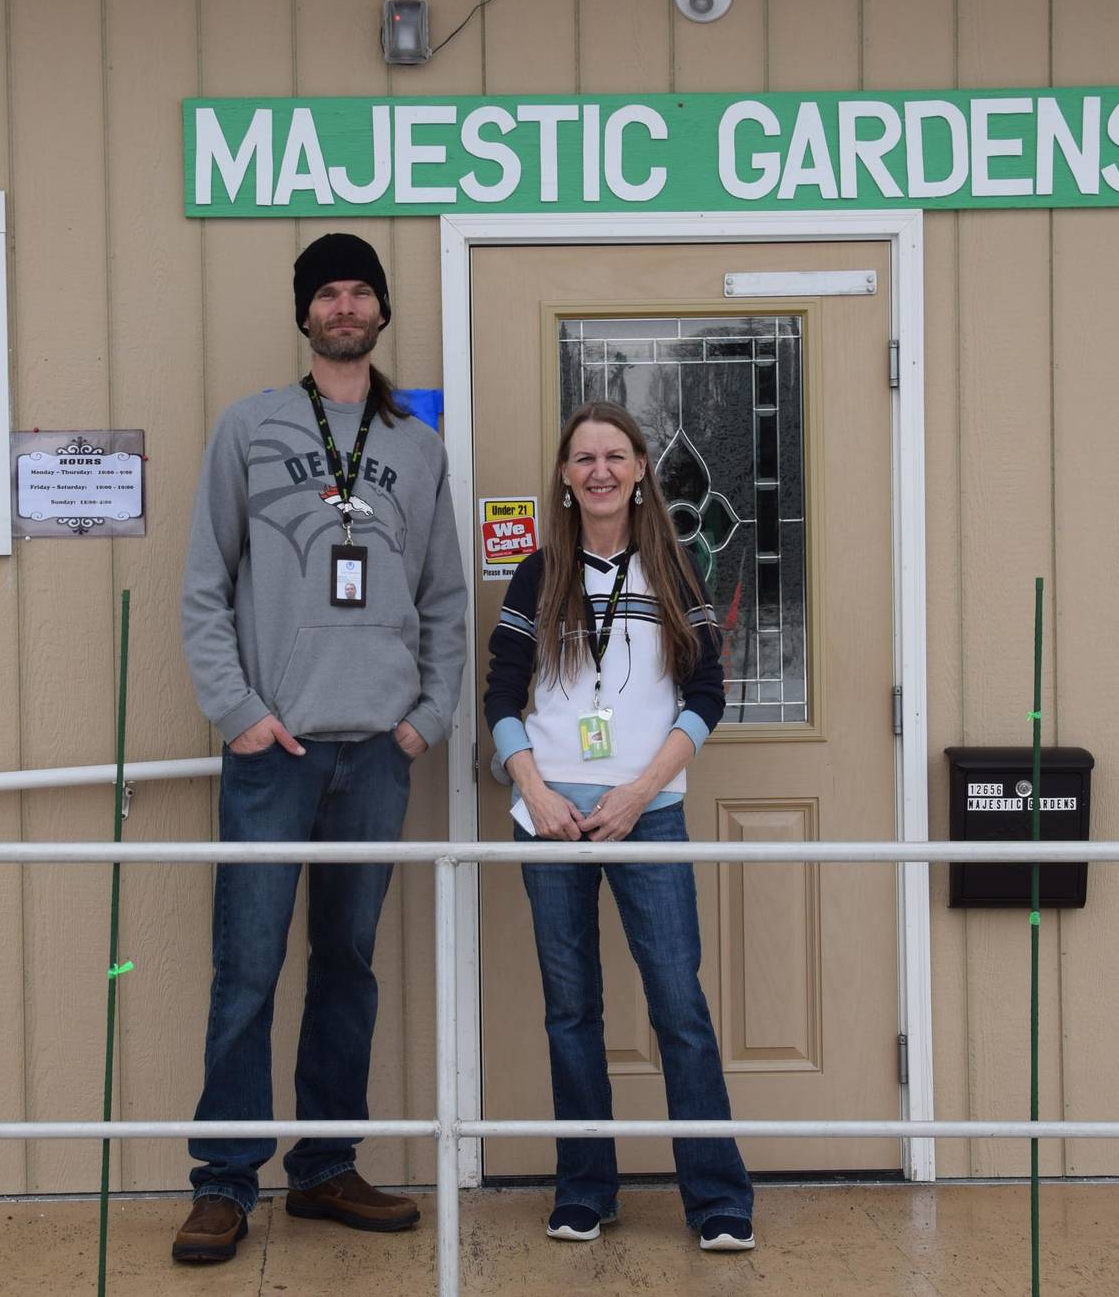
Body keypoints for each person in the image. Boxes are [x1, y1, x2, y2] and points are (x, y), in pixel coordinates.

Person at [173, 232, 468, 1264]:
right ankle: (221, 1181)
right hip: (274, 750)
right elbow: (205, 584)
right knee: (244, 968)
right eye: (326, 293)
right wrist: (236, 711)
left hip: (374, 754)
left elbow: (444, 599)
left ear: (381, 312)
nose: (343, 307)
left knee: (346, 965)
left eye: (359, 292)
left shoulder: (416, 447)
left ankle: (325, 1167)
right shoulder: (247, 428)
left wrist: (424, 718)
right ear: (304, 314)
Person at [482, 400, 756, 1253]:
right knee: (572, 1010)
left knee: (678, 1003)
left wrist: (640, 792)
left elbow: (708, 695)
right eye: (582, 458)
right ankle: (585, 1189)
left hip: (647, 815)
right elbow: (499, 692)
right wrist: (531, 783)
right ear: (565, 479)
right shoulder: (537, 574)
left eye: (614, 455)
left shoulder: (674, 571)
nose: (598, 469)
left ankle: (716, 1197)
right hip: (553, 821)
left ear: (640, 469)